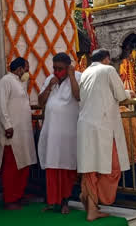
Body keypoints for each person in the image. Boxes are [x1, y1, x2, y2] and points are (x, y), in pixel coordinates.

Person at [77, 49, 131, 221]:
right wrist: (130, 94)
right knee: (113, 168)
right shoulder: (108, 70)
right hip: (102, 125)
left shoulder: (85, 72)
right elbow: (121, 95)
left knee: (90, 169)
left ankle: (91, 204)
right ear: (107, 59)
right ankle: (93, 202)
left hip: (85, 125)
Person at [37, 53, 81, 214]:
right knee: (51, 166)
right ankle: (51, 201)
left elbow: (78, 96)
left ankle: (65, 202)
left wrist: (71, 76)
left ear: (68, 67)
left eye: (60, 69)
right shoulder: (50, 79)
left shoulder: (78, 77)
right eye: (54, 68)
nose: (56, 71)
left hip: (69, 133)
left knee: (67, 167)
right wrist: (49, 87)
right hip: (51, 132)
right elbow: (40, 101)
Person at [0, 57, 37, 210]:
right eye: (27, 68)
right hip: (11, 132)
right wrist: (7, 125)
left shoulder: (20, 82)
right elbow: (1, 105)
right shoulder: (6, 81)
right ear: (19, 69)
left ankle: (19, 195)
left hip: (23, 132)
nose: (28, 71)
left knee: (23, 164)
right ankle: (9, 199)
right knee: (11, 166)